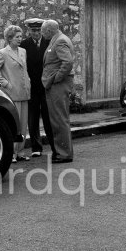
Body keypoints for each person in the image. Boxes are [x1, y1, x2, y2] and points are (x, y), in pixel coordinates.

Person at [0, 25, 31, 162]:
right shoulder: (3, 53)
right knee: (15, 123)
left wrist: (28, 81)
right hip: (12, 92)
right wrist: (6, 83)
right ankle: (11, 152)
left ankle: (20, 151)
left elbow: (24, 70)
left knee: (23, 124)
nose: (20, 39)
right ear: (9, 38)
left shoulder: (23, 51)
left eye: (21, 36)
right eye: (17, 37)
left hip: (24, 91)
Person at [41, 19, 75, 163]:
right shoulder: (57, 39)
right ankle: (62, 152)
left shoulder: (59, 41)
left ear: (49, 30)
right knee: (58, 119)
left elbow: (67, 62)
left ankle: (63, 154)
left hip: (58, 86)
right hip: (56, 85)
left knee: (59, 119)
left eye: (43, 31)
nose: (42, 34)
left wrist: (56, 78)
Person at [21, 18, 55, 158]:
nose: (36, 33)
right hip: (32, 87)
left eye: (38, 30)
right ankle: (36, 147)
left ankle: (54, 146)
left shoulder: (49, 42)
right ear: (29, 31)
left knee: (48, 118)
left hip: (46, 87)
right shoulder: (24, 45)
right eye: (33, 30)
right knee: (32, 118)